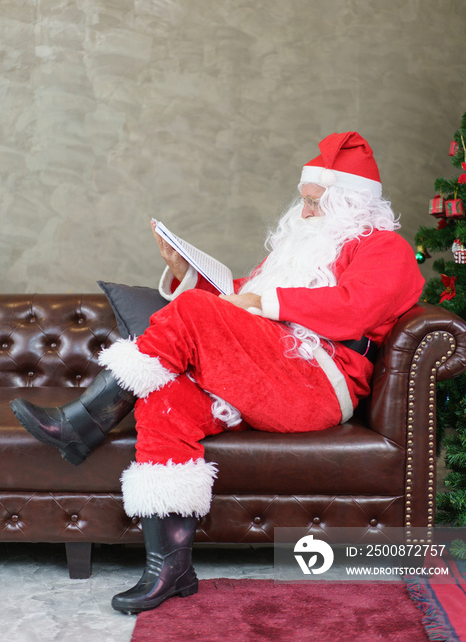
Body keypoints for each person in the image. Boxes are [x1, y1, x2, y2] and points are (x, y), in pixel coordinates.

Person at [10, 131, 425, 614]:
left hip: (317, 381)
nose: (305, 211)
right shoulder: (296, 250)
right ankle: (170, 569)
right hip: (266, 372)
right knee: (165, 400)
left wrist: (255, 301)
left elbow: (356, 307)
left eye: (317, 202)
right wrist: (187, 271)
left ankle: (83, 421)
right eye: (305, 199)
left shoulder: (387, 250)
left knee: (192, 312)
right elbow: (242, 293)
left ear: (352, 204)